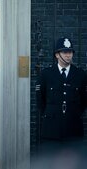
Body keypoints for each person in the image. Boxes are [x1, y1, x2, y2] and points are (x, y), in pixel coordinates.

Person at [34, 37, 87, 168]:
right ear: (57, 55)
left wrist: (74, 113)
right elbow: (40, 100)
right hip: (52, 130)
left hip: (73, 129)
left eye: (70, 52)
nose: (69, 55)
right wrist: (51, 113)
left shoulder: (80, 74)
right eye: (65, 52)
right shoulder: (46, 74)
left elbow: (84, 100)